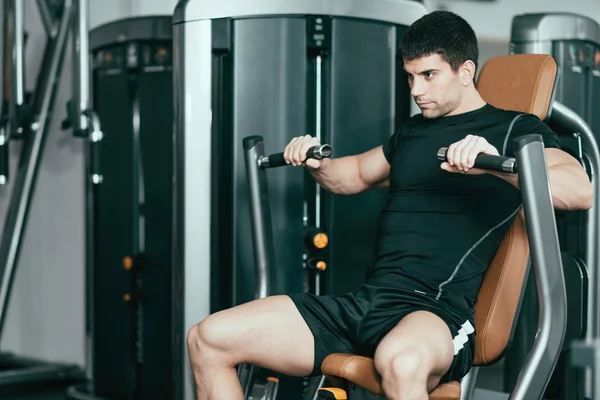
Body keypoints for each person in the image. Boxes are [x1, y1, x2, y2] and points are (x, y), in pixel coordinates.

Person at [186, 10, 593, 400]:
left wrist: (497, 166)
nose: (416, 91)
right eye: (411, 77)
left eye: (429, 75)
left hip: (434, 314)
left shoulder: (515, 130)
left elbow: (579, 191)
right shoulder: (412, 133)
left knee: (398, 362)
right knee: (208, 339)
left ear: (465, 72)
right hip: (365, 304)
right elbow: (353, 176)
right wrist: (316, 161)